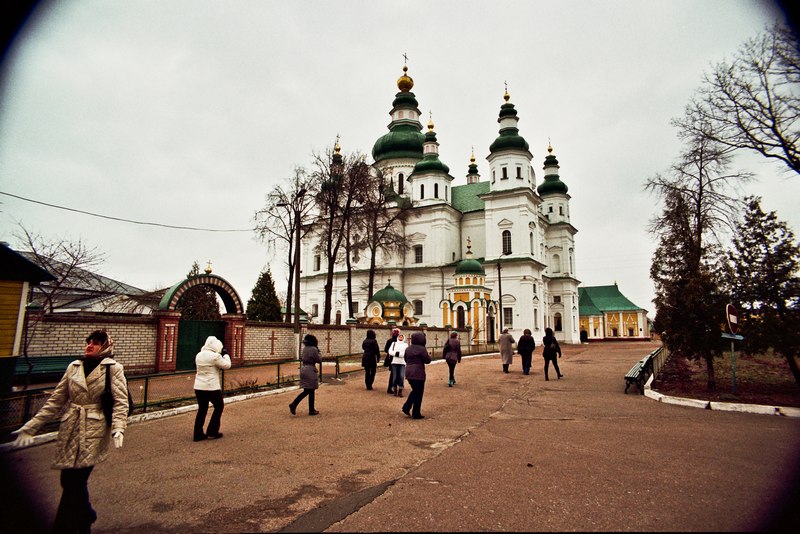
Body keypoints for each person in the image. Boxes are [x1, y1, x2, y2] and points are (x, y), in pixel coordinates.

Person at [12, 329, 128, 533]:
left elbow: (121, 402)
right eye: (89, 341)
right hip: (71, 427)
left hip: (94, 429)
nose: (90, 345)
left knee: (75, 480)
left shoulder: (113, 369)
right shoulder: (74, 367)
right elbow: (55, 401)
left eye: (96, 342)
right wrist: (31, 427)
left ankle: (65, 526)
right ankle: (86, 515)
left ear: (106, 347)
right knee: (68, 480)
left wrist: (118, 428)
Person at [193, 336, 231, 441]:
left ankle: (198, 434)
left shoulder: (199, 355)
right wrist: (225, 354)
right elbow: (227, 365)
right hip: (211, 387)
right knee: (219, 406)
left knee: (202, 409)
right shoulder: (215, 356)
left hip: (198, 386)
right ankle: (212, 431)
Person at [289, 334, 323, 415]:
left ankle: (311, 409)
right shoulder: (314, 349)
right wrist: (319, 352)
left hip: (303, 369)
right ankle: (294, 404)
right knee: (309, 390)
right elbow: (319, 360)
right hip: (310, 370)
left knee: (310, 390)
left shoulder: (305, 348)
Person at [401, 332, 431, 419]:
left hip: (409, 371)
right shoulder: (422, 349)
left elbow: (406, 359)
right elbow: (427, 360)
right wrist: (429, 356)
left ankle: (407, 407)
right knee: (419, 393)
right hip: (418, 372)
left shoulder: (408, 348)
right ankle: (416, 413)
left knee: (415, 391)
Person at [387, 333, 408, 397]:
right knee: (394, 376)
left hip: (402, 362)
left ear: (403, 338)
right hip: (394, 362)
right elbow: (390, 351)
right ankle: (395, 389)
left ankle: (400, 390)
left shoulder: (405, 345)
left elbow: (406, 352)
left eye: (402, 337)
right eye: (399, 337)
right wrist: (396, 353)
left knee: (401, 376)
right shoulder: (394, 343)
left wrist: (400, 354)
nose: (400, 338)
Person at [384, 328, 399, 394]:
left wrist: (390, 352)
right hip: (397, 359)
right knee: (396, 373)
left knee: (393, 374)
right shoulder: (399, 342)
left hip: (391, 359)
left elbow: (386, 349)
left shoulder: (389, 340)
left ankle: (392, 387)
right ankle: (391, 388)